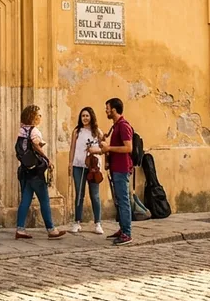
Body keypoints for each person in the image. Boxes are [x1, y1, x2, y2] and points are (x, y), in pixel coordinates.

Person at [14, 105, 66, 240]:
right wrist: (47, 159)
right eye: (38, 115)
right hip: (36, 171)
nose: (40, 117)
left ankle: (20, 229)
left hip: (26, 169)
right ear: (33, 116)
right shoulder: (34, 131)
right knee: (44, 200)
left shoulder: (22, 130)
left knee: (25, 199)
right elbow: (36, 145)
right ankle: (51, 229)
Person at [98, 97, 135, 246]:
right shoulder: (115, 126)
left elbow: (128, 148)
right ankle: (122, 228)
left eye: (107, 108)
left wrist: (109, 148)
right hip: (115, 168)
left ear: (113, 109)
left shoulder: (124, 126)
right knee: (119, 201)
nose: (106, 111)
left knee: (124, 201)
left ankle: (127, 233)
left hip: (121, 168)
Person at [68, 106, 105, 235]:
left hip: (93, 167)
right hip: (78, 165)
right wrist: (70, 163)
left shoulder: (97, 132)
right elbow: (72, 148)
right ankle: (77, 222)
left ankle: (98, 223)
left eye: (87, 115)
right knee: (79, 194)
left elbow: (104, 148)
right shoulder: (77, 131)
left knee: (95, 195)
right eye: (83, 116)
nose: (85, 118)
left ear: (91, 117)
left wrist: (95, 151)